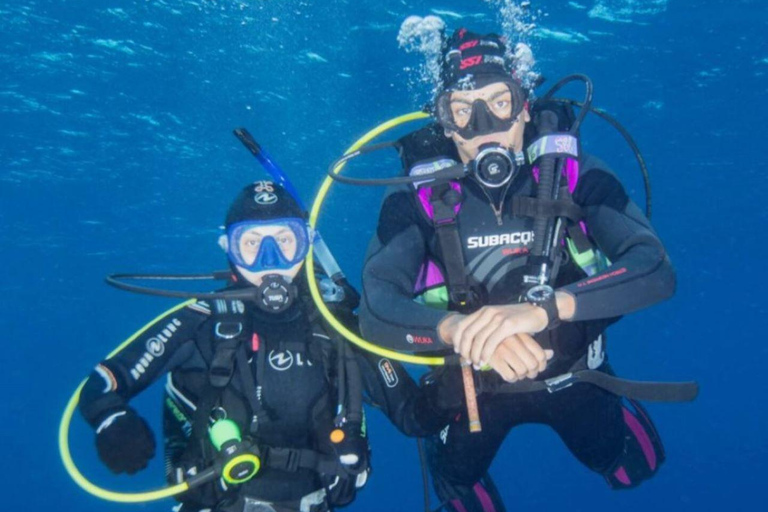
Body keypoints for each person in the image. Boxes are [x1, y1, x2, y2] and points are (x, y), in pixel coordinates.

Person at [358, 28, 674, 511]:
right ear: (444, 123)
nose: (483, 124)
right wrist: (461, 329)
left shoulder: (572, 172)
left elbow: (654, 268)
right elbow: (375, 309)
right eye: (462, 109)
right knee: (456, 480)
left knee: (632, 467)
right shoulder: (416, 198)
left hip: (574, 376)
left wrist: (543, 311)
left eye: (499, 101)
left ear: (525, 105)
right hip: (473, 392)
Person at [78, 180, 439, 512]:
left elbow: (412, 414)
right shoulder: (201, 321)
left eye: (285, 241)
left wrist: (453, 389)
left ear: (306, 245)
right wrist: (112, 419)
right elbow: (103, 383)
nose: (270, 260)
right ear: (229, 249)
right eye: (251, 244)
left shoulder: (337, 326)